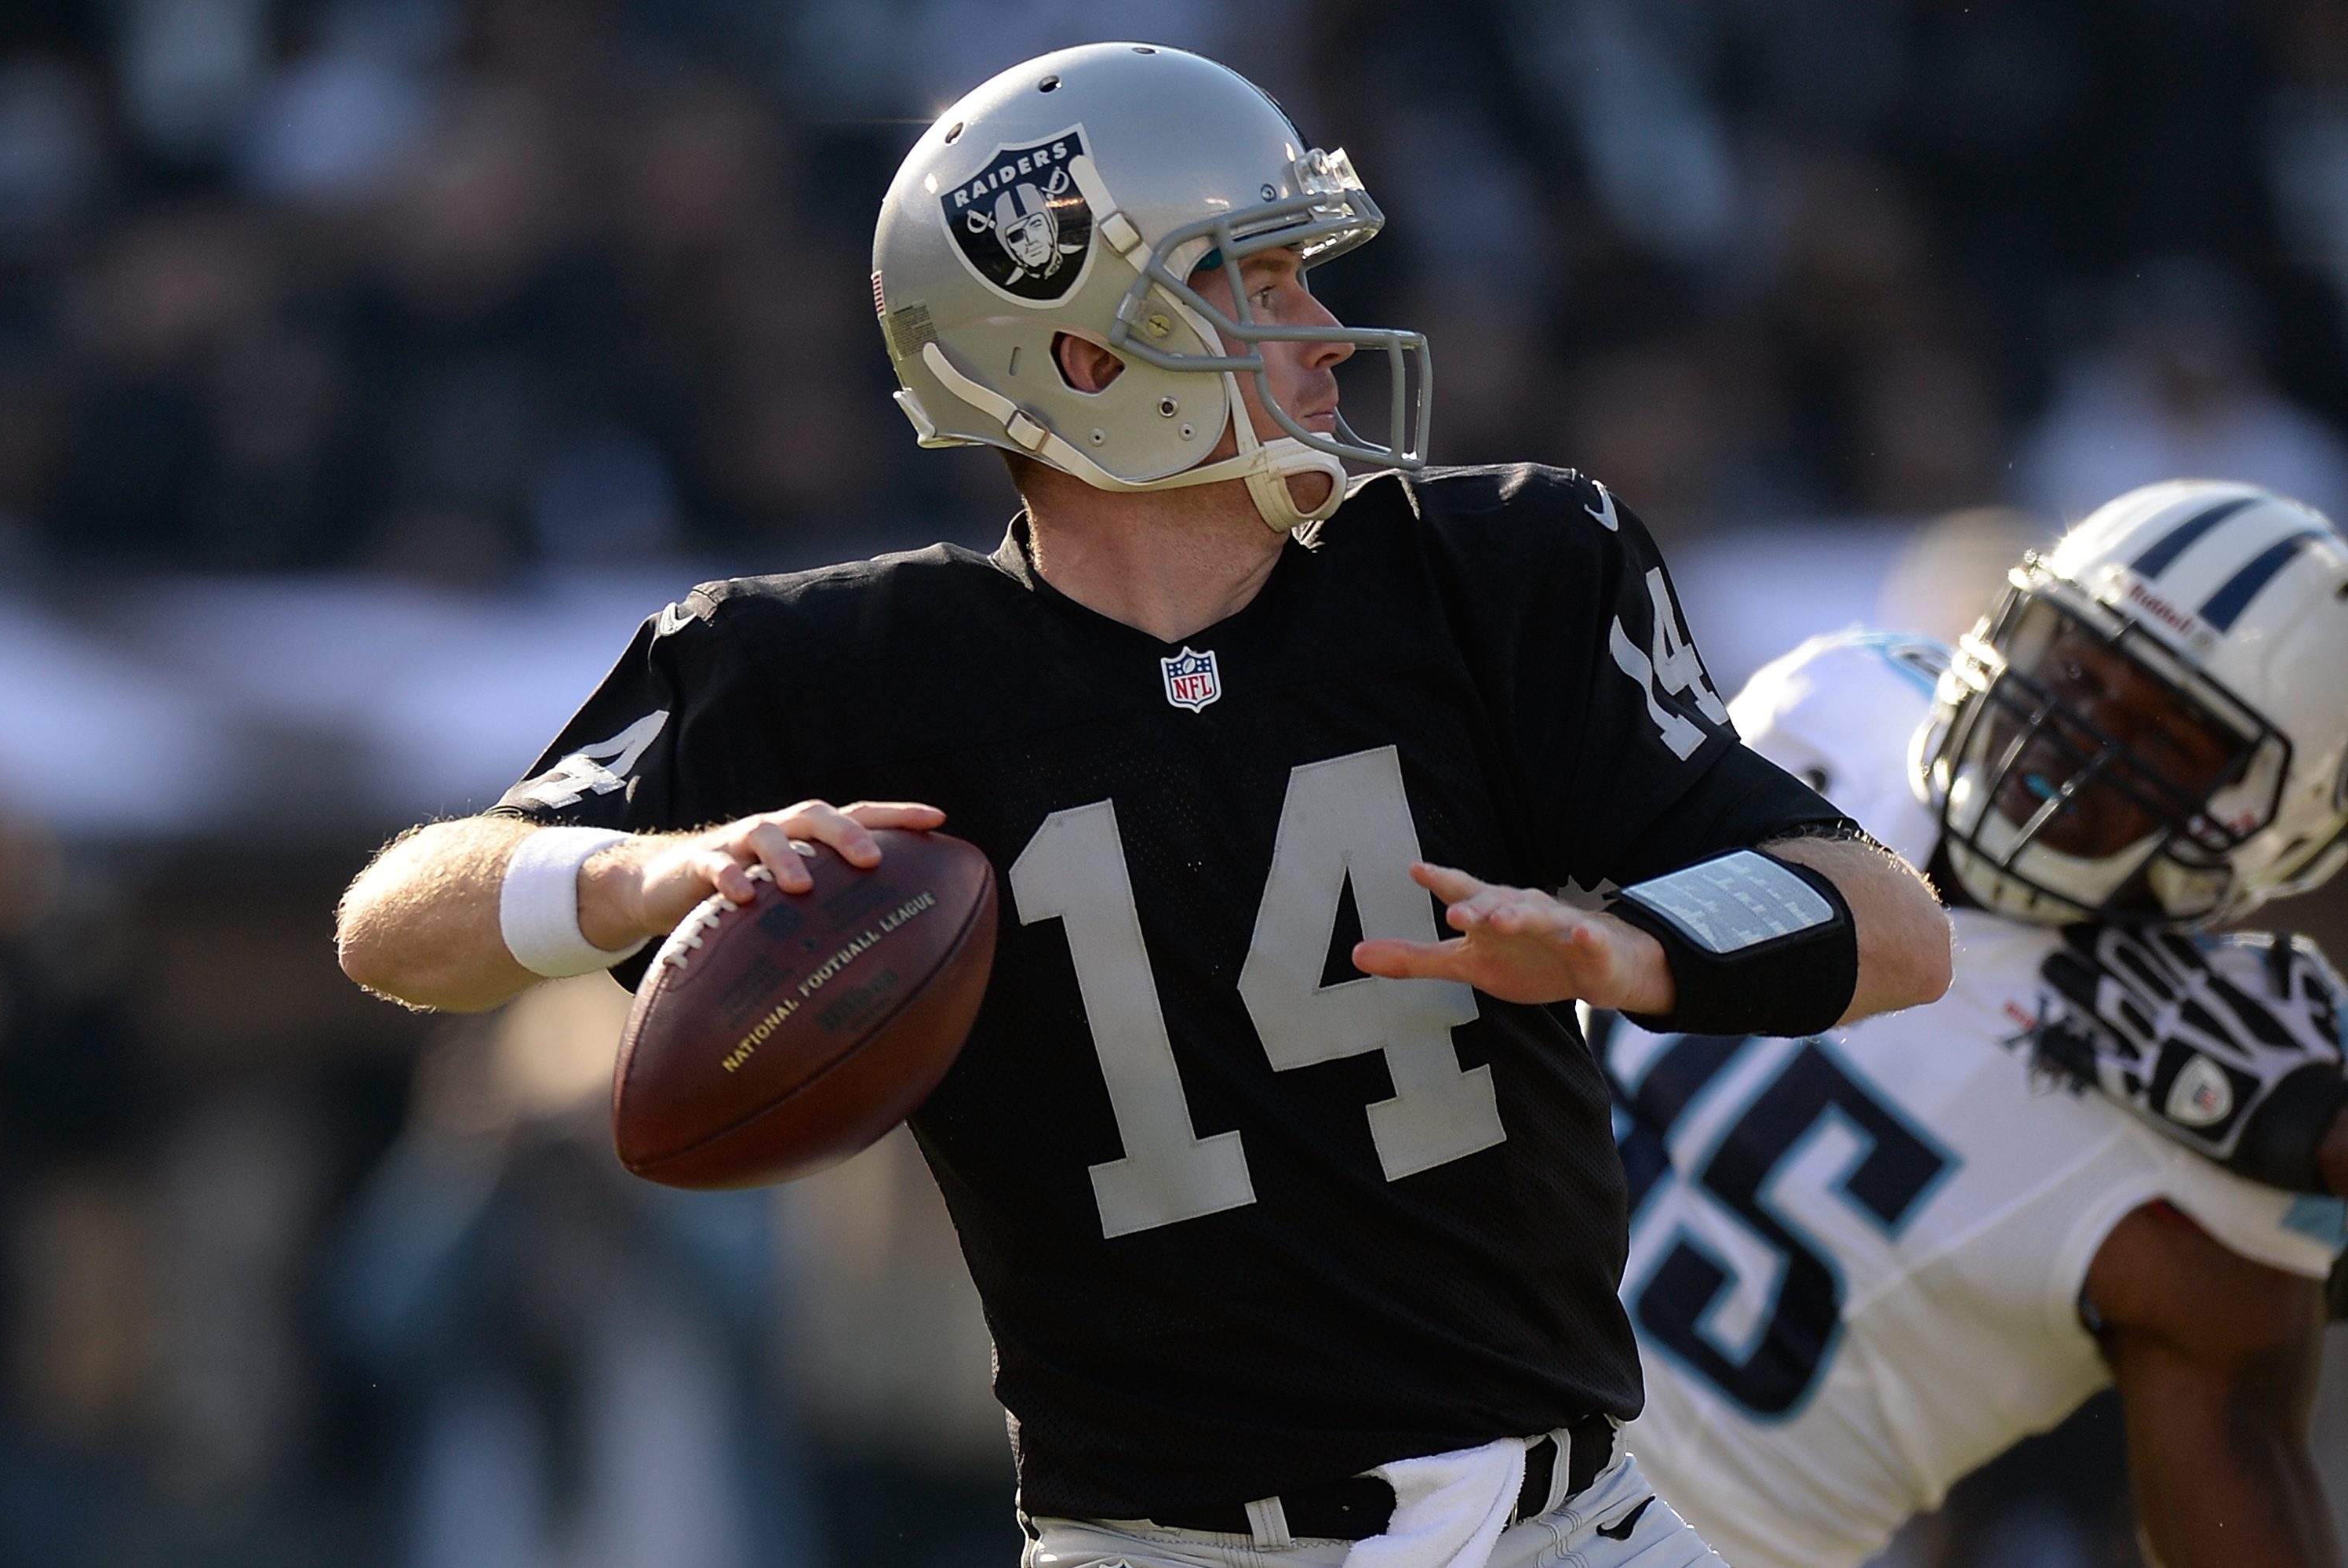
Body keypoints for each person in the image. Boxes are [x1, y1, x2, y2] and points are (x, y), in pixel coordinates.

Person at [336, 44, 1951, 1568]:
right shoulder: (834, 671)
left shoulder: (1498, 572)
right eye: (1259, 281)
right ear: (1089, 355)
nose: (1321, 326)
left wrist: (1627, 950)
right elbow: (392, 928)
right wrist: (638, 876)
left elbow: (1890, 921)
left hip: (1571, 1522)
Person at [1595, 478, 2348, 1568]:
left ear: (2269, 831)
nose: (2073, 742)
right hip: (1382, 1386)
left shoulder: (2217, 1166)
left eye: (2168, 738)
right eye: (2079, 667)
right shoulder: (1831, 711)